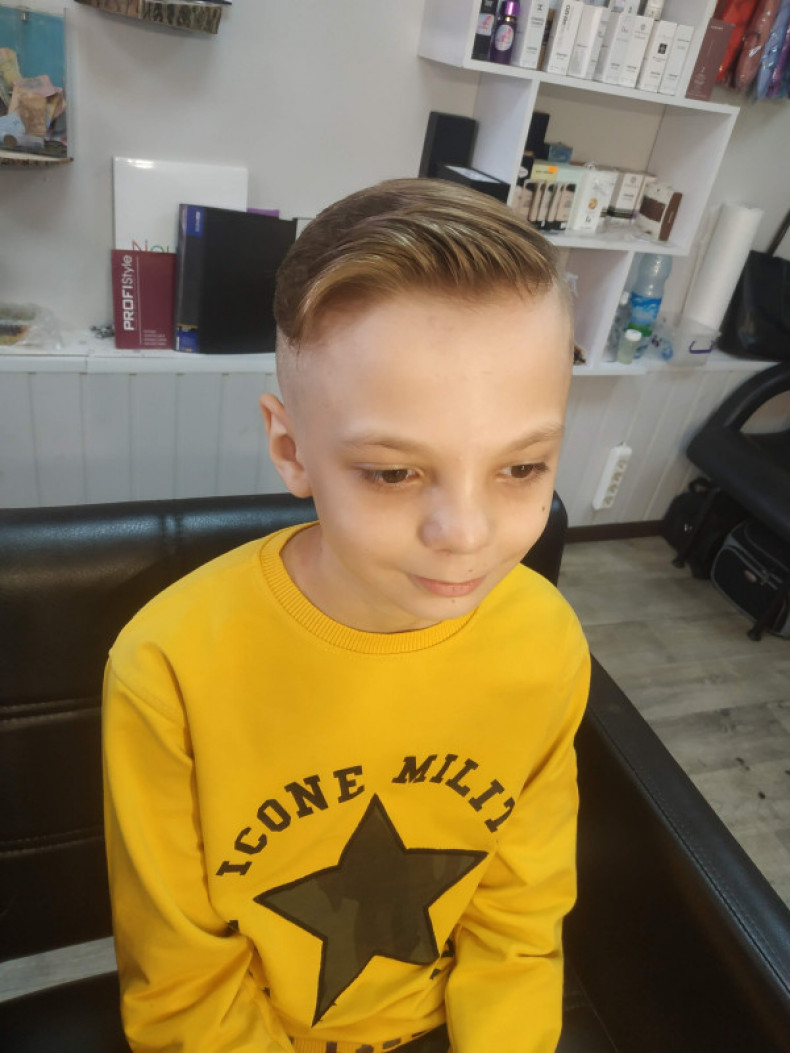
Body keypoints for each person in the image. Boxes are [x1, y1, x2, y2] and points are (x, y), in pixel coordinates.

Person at [103, 177, 590, 1053]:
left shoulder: (545, 640)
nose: (465, 535)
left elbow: (521, 918)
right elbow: (184, 990)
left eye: (521, 468)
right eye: (394, 472)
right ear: (290, 448)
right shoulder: (168, 667)